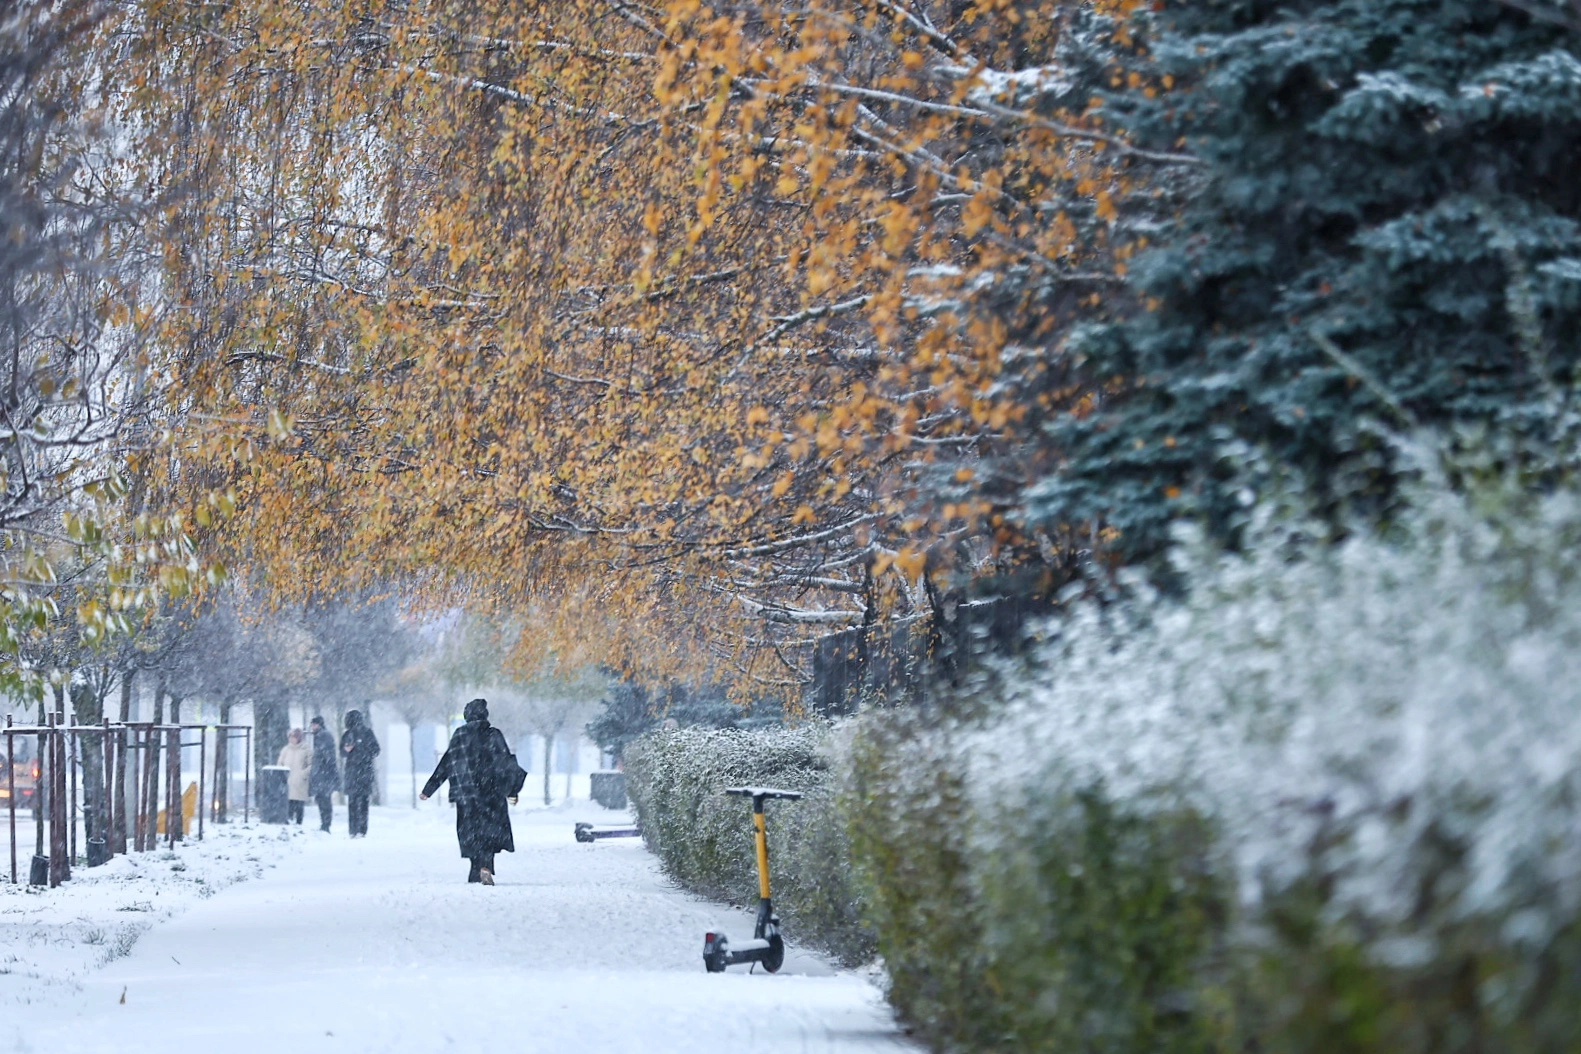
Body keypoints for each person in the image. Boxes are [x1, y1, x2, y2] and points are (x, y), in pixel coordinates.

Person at [420, 699, 526, 885]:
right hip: (491, 793)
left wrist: (429, 789)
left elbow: (447, 763)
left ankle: (475, 869)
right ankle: (485, 866)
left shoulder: (460, 735)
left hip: (466, 795)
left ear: (467, 716)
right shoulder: (494, 735)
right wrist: (512, 790)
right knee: (490, 831)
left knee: (472, 832)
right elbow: (506, 763)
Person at [341, 709, 381, 838]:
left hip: (354, 771)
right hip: (364, 771)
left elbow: (342, 753)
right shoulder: (367, 733)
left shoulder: (348, 734)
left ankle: (353, 829)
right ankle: (361, 830)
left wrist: (349, 751)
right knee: (363, 802)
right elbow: (376, 750)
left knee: (353, 802)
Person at [308, 716, 340, 832]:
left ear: (318, 725)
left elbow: (327, 755)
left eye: (314, 725)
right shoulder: (321, 735)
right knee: (322, 799)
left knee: (323, 800)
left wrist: (324, 766)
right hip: (322, 773)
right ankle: (325, 824)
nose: (312, 727)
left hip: (323, 774)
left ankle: (326, 824)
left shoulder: (322, 736)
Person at [276, 728, 312, 825]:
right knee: (289, 803)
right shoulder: (286, 750)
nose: (291, 739)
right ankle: (288, 820)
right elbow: (280, 762)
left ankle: (298, 823)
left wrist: (303, 774)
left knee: (299, 803)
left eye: (293, 737)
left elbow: (311, 765)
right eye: (290, 737)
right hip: (288, 780)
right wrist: (282, 773)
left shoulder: (306, 749)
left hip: (300, 781)